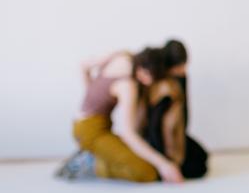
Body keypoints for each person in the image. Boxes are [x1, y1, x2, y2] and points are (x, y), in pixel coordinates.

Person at [67, 48, 184, 183]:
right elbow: (129, 134)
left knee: (141, 157)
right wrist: (164, 165)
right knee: (147, 172)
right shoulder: (127, 85)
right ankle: (90, 163)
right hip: (91, 132)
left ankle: (92, 156)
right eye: (150, 78)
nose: (148, 83)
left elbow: (83, 66)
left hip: (86, 125)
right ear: (143, 71)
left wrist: (91, 95)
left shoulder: (122, 56)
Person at [142, 39, 209, 179]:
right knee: (198, 168)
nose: (183, 70)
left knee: (202, 155)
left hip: (175, 133)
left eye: (184, 65)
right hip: (162, 140)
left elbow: (184, 113)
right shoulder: (165, 87)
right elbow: (155, 127)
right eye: (179, 66)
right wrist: (165, 162)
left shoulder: (179, 79)